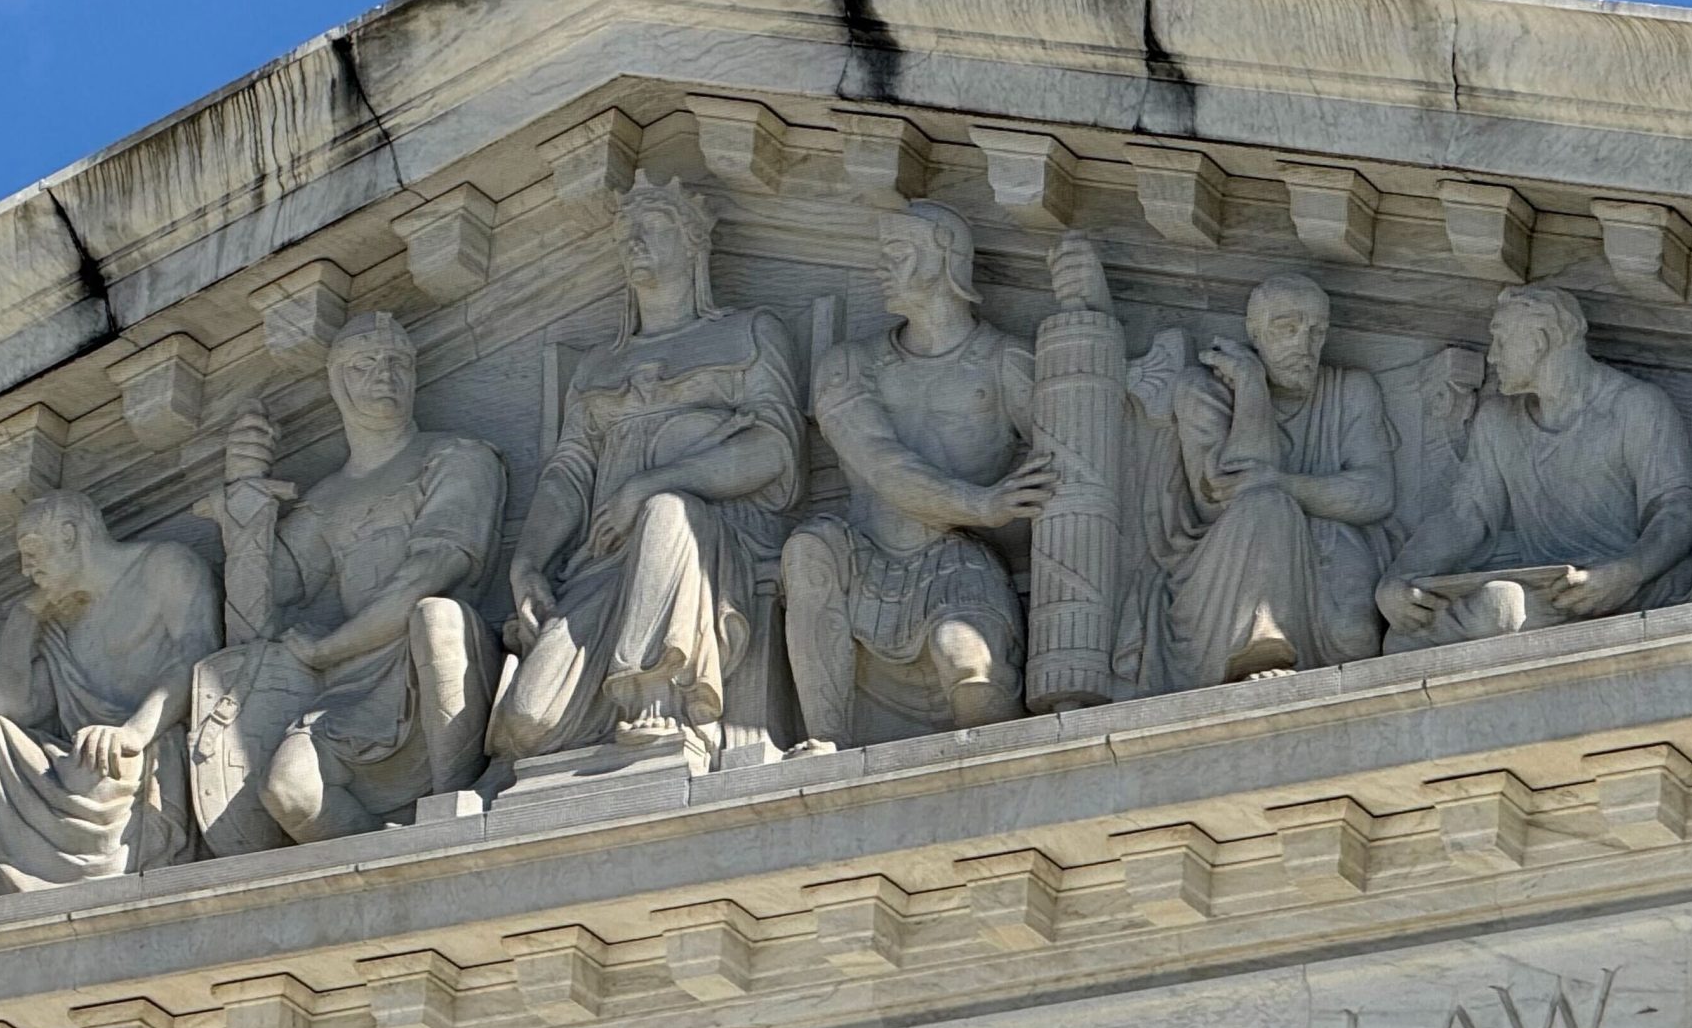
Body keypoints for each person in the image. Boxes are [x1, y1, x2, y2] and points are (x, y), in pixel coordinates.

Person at [486, 174, 805, 761]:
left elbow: (775, 450)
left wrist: (650, 485)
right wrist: (528, 562)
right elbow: (569, 473)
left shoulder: (748, 334)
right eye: (625, 231)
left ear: (693, 244)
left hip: (718, 547)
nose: (634, 241)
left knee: (667, 511)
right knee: (528, 724)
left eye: (652, 226)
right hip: (606, 562)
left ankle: (658, 700)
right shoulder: (597, 367)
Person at [188, 312, 505, 849]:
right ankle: (384, 865)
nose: (384, 375)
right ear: (337, 383)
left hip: (433, 663)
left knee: (437, 616)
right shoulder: (327, 500)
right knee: (289, 791)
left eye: (397, 363)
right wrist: (246, 498)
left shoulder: (456, 458)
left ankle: (454, 811)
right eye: (364, 365)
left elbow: (432, 572)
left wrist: (328, 647)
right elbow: (256, 627)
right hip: (350, 685)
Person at [784, 201, 1050, 750]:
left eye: (899, 253)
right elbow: (880, 462)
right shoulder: (849, 366)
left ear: (947, 258)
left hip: (957, 559)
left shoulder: (1006, 363)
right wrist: (984, 503)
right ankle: (822, 741)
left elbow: (1066, 461)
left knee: (970, 670)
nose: (884, 268)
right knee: (810, 547)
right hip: (865, 555)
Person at [0, 492, 218, 902]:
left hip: (139, 754)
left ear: (69, 534)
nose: (26, 569)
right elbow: (5, 710)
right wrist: (23, 618)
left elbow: (196, 655)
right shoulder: (65, 622)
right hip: (79, 762)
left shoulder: (164, 565)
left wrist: (133, 732)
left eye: (31, 552)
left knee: (96, 764)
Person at [1379, 286, 1692, 649]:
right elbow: (1464, 515)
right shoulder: (1498, 421)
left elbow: (1679, 508)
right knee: (1402, 638)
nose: (1491, 358)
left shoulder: (1635, 408)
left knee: (1499, 608)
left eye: (1501, 341)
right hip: (1546, 588)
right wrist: (1398, 578)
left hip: (1626, 584)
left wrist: (1628, 572)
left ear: (1543, 340)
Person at [1153, 273, 1396, 684]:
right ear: (1254, 331)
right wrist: (1250, 384)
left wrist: (1281, 482)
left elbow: (1375, 493)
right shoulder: (1202, 389)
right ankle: (1260, 640)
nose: (1305, 346)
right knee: (1266, 506)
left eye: (1316, 332)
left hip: (1327, 544)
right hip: (1228, 556)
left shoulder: (1351, 390)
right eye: (1286, 328)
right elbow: (1225, 493)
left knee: (1356, 638)